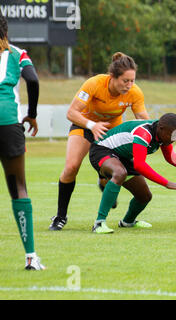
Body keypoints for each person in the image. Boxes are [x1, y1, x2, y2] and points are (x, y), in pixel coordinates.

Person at [50, 52, 150, 231]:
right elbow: (71, 113)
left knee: (117, 172)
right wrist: (92, 125)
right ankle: (60, 217)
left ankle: (105, 183)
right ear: (112, 77)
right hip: (84, 126)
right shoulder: (95, 84)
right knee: (71, 167)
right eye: (125, 81)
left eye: (132, 81)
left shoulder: (134, 92)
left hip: (112, 133)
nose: (129, 85)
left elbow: (143, 120)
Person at [89, 113, 176, 233]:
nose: (174, 139)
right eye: (172, 135)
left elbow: (170, 157)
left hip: (122, 157)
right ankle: (99, 223)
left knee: (145, 196)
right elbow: (139, 164)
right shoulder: (144, 133)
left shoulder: (162, 135)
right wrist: (166, 183)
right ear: (161, 129)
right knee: (120, 173)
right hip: (101, 149)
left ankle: (128, 222)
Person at [0, 15, 45, 269]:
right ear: (5, 30)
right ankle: (31, 257)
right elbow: (34, 81)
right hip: (8, 121)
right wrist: (33, 114)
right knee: (18, 186)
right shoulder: (18, 53)